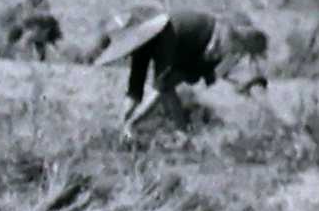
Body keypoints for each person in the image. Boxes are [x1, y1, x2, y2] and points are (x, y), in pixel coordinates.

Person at [98, 9, 267, 131]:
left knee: (166, 87)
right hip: (199, 46)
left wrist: (132, 123)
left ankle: (263, 118)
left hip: (212, 42)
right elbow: (134, 91)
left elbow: (159, 88)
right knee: (168, 88)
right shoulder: (143, 48)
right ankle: (183, 132)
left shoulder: (164, 36)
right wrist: (124, 120)